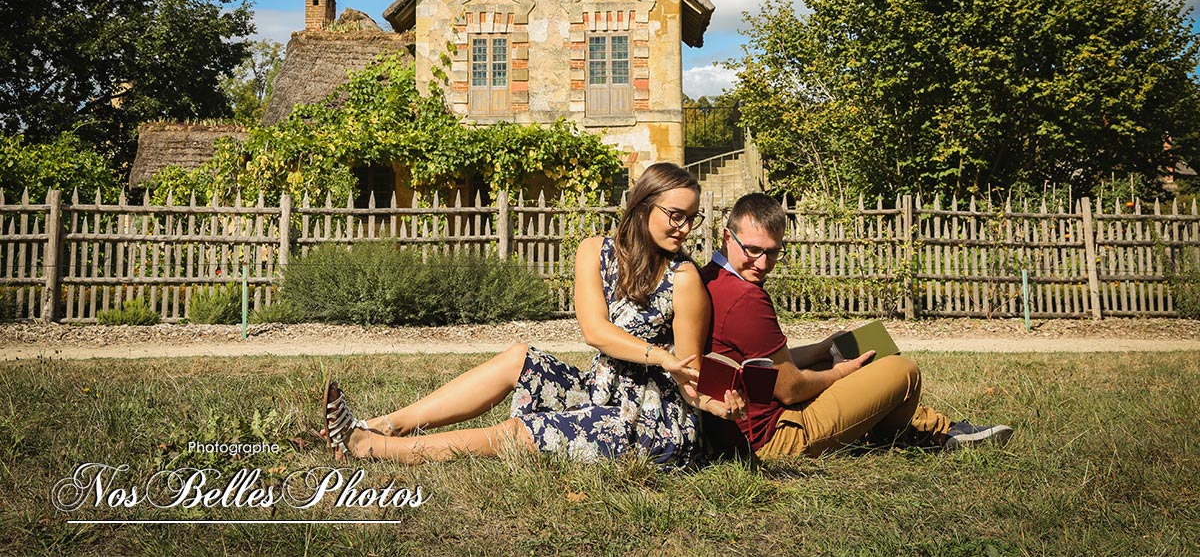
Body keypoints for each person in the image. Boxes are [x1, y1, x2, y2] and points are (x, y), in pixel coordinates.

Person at [322, 162, 743, 466]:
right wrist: (660, 354)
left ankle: (374, 448)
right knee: (520, 356)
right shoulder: (594, 252)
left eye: (692, 218)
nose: (685, 229)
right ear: (642, 205)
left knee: (524, 434)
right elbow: (594, 331)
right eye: (675, 215)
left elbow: (688, 378)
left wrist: (713, 403)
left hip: (651, 420)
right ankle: (382, 424)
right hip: (599, 389)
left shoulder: (684, 278)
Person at [701, 193, 1013, 459]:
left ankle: (933, 426)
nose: (762, 263)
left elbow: (762, 366)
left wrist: (824, 349)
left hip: (750, 424)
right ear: (729, 237)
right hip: (774, 436)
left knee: (860, 344)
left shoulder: (713, 278)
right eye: (753, 250)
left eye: (773, 252)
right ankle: (927, 433)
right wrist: (841, 372)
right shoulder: (746, 298)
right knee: (903, 370)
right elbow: (790, 389)